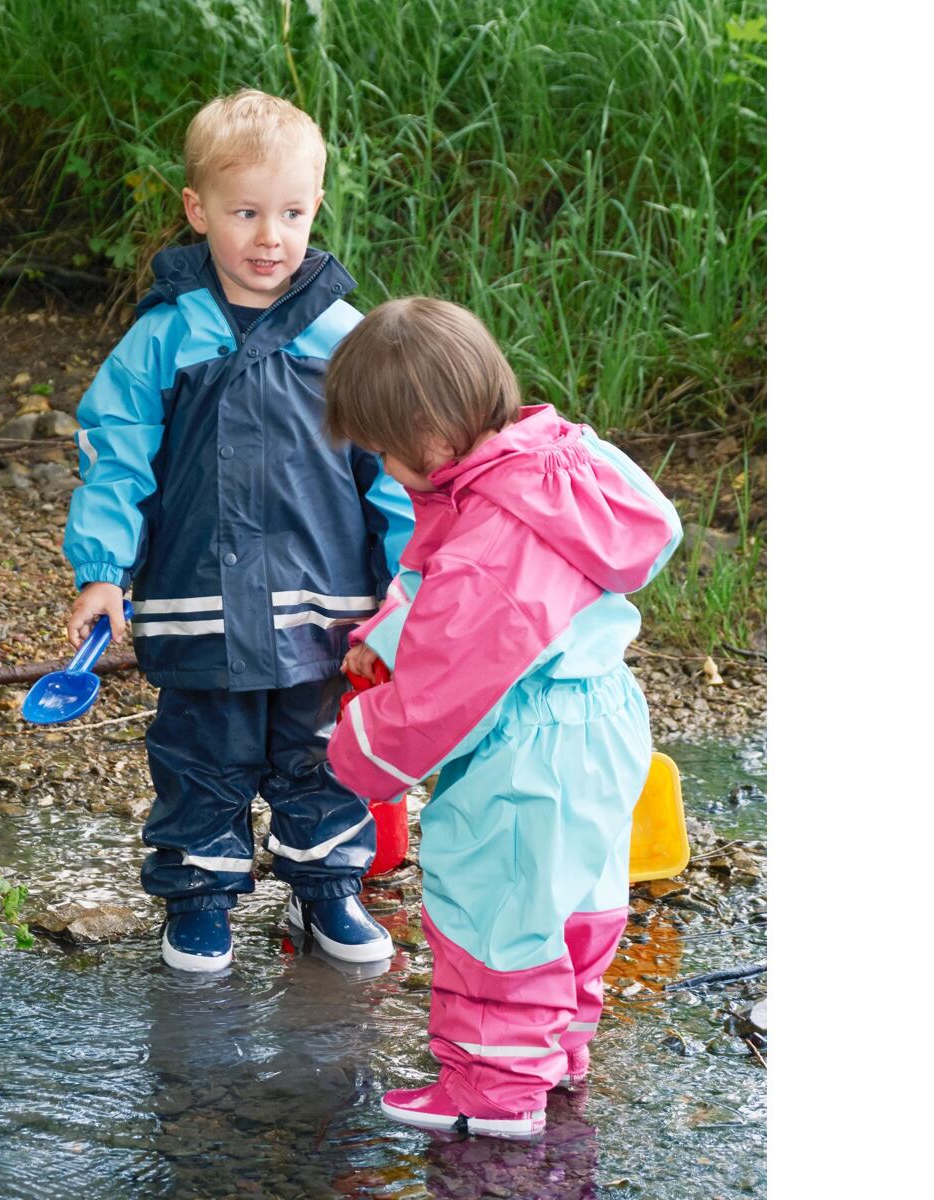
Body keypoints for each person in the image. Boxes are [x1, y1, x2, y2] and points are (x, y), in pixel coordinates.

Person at [62, 91, 414, 972]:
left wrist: (409, 582)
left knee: (320, 749)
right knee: (201, 752)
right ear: (199, 211)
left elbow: (395, 471)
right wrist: (103, 570)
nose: (269, 237)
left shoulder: (344, 337)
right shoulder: (164, 337)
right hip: (198, 593)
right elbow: (118, 459)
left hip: (321, 601)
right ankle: (199, 896)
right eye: (245, 212)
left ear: (315, 212)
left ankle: (326, 889)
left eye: (290, 214)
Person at [324, 297, 682, 1139]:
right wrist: (387, 633)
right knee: (575, 894)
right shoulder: (550, 467)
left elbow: (447, 689)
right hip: (604, 718)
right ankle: (555, 1051)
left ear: (430, 437)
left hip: (529, 745)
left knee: (495, 899)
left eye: (382, 450)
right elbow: (445, 580)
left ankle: (493, 1092)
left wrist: (357, 748)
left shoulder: (491, 538)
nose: (384, 467)